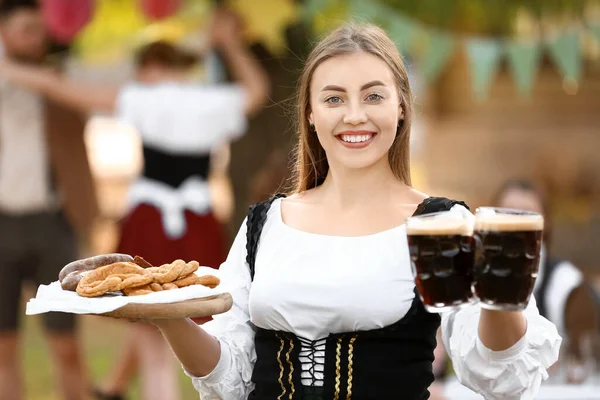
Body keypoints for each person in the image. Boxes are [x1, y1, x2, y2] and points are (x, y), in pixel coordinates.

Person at [145, 23, 559, 399]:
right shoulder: (265, 224)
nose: (354, 115)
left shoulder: (440, 226)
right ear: (310, 113)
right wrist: (166, 316)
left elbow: (500, 377)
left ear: (401, 106)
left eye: (374, 95)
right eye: (334, 98)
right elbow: (230, 375)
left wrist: (499, 297)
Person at [0, 8, 269, 400]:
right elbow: (256, 89)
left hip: (149, 222)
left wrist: (11, 70)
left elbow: (64, 89)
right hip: (199, 222)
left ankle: (116, 387)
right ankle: (112, 387)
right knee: (180, 325)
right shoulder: (212, 103)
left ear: (154, 66)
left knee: (152, 340)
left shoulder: (143, 98)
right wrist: (230, 45)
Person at [0, 1, 98, 400]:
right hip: (2, 224)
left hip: (52, 225)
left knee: (67, 346)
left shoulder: (60, 81)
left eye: (40, 30)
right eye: (24, 29)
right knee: (3, 350)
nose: (34, 38)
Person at [494, 179, 600, 383]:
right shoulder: (473, 278)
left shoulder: (566, 282)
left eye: (526, 214)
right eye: (506, 213)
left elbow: (586, 356)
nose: (515, 223)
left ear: (546, 224)